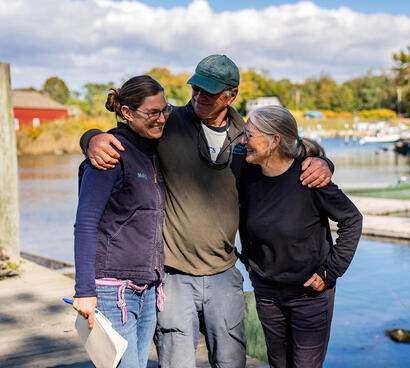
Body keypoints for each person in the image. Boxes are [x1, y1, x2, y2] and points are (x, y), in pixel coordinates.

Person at [79, 55, 334, 368]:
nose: (199, 97)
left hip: (224, 272)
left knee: (230, 362)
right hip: (172, 274)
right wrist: (90, 138)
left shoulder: (249, 135)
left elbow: (289, 161)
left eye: (209, 93)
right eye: (195, 89)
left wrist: (324, 163)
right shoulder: (167, 121)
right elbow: (124, 135)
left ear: (231, 95)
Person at [239, 105, 362, 368]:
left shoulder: (309, 178)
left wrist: (331, 272)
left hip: (309, 296)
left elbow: (352, 220)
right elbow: (244, 215)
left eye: (249, 135)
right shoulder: (247, 171)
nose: (242, 141)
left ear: (275, 141)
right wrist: (248, 259)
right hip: (268, 293)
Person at [73, 75, 168, 368]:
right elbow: (86, 222)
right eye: (152, 113)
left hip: (147, 286)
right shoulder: (109, 155)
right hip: (113, 291)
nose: (162, 119)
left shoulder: (151, 151)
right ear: (126, 112)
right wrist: (85, 291)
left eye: (165, 110)